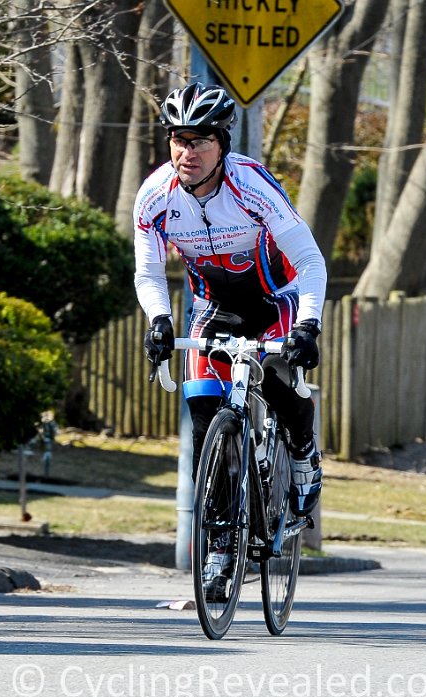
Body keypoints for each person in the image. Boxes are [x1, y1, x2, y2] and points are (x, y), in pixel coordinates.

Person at [133, 82, 326, 589]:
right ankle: (220, 546)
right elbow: (148, 272)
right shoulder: (155, 196)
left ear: (222, 144)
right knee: (204, 421)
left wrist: (308, 325)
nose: (187, 152)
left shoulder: (252, 185)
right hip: (214, 309)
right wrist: (159, 320)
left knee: (277, 382)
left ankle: (303, 450)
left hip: (275, 302)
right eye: (179, 139)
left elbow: (309, 261)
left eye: (200, 141)